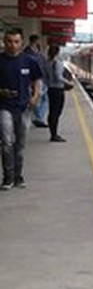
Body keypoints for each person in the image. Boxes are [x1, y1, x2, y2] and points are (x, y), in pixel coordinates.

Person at [0, 28, 45, 190]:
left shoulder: (29, 61)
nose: (13, 45)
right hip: (4, 106)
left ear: (21, 43)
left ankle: (18, 176)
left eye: (16, 42)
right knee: (6, 142)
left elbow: (37, 80)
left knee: (20, 144)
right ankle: (8, 177)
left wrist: (35, 96)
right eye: (9, 41)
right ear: (4, 42)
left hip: (24, 107)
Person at [46, 44, 70, 142]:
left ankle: (52, 132)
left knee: (52, 111)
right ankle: (54, 135)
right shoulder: (58, 63)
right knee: (57, 112)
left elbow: (45, 76)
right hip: (58, 90)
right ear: (58, 52)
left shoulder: (47, 62)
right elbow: (58, 76)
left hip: (50, 89)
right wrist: (69, 83)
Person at [25, 34, 48, 128]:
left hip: (38, 78)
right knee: (39, 98)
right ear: (35, 41)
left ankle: (38, 117)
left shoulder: (34, 52)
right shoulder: (29, 53)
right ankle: (38, 118)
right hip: (35, 79)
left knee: (42, 98)